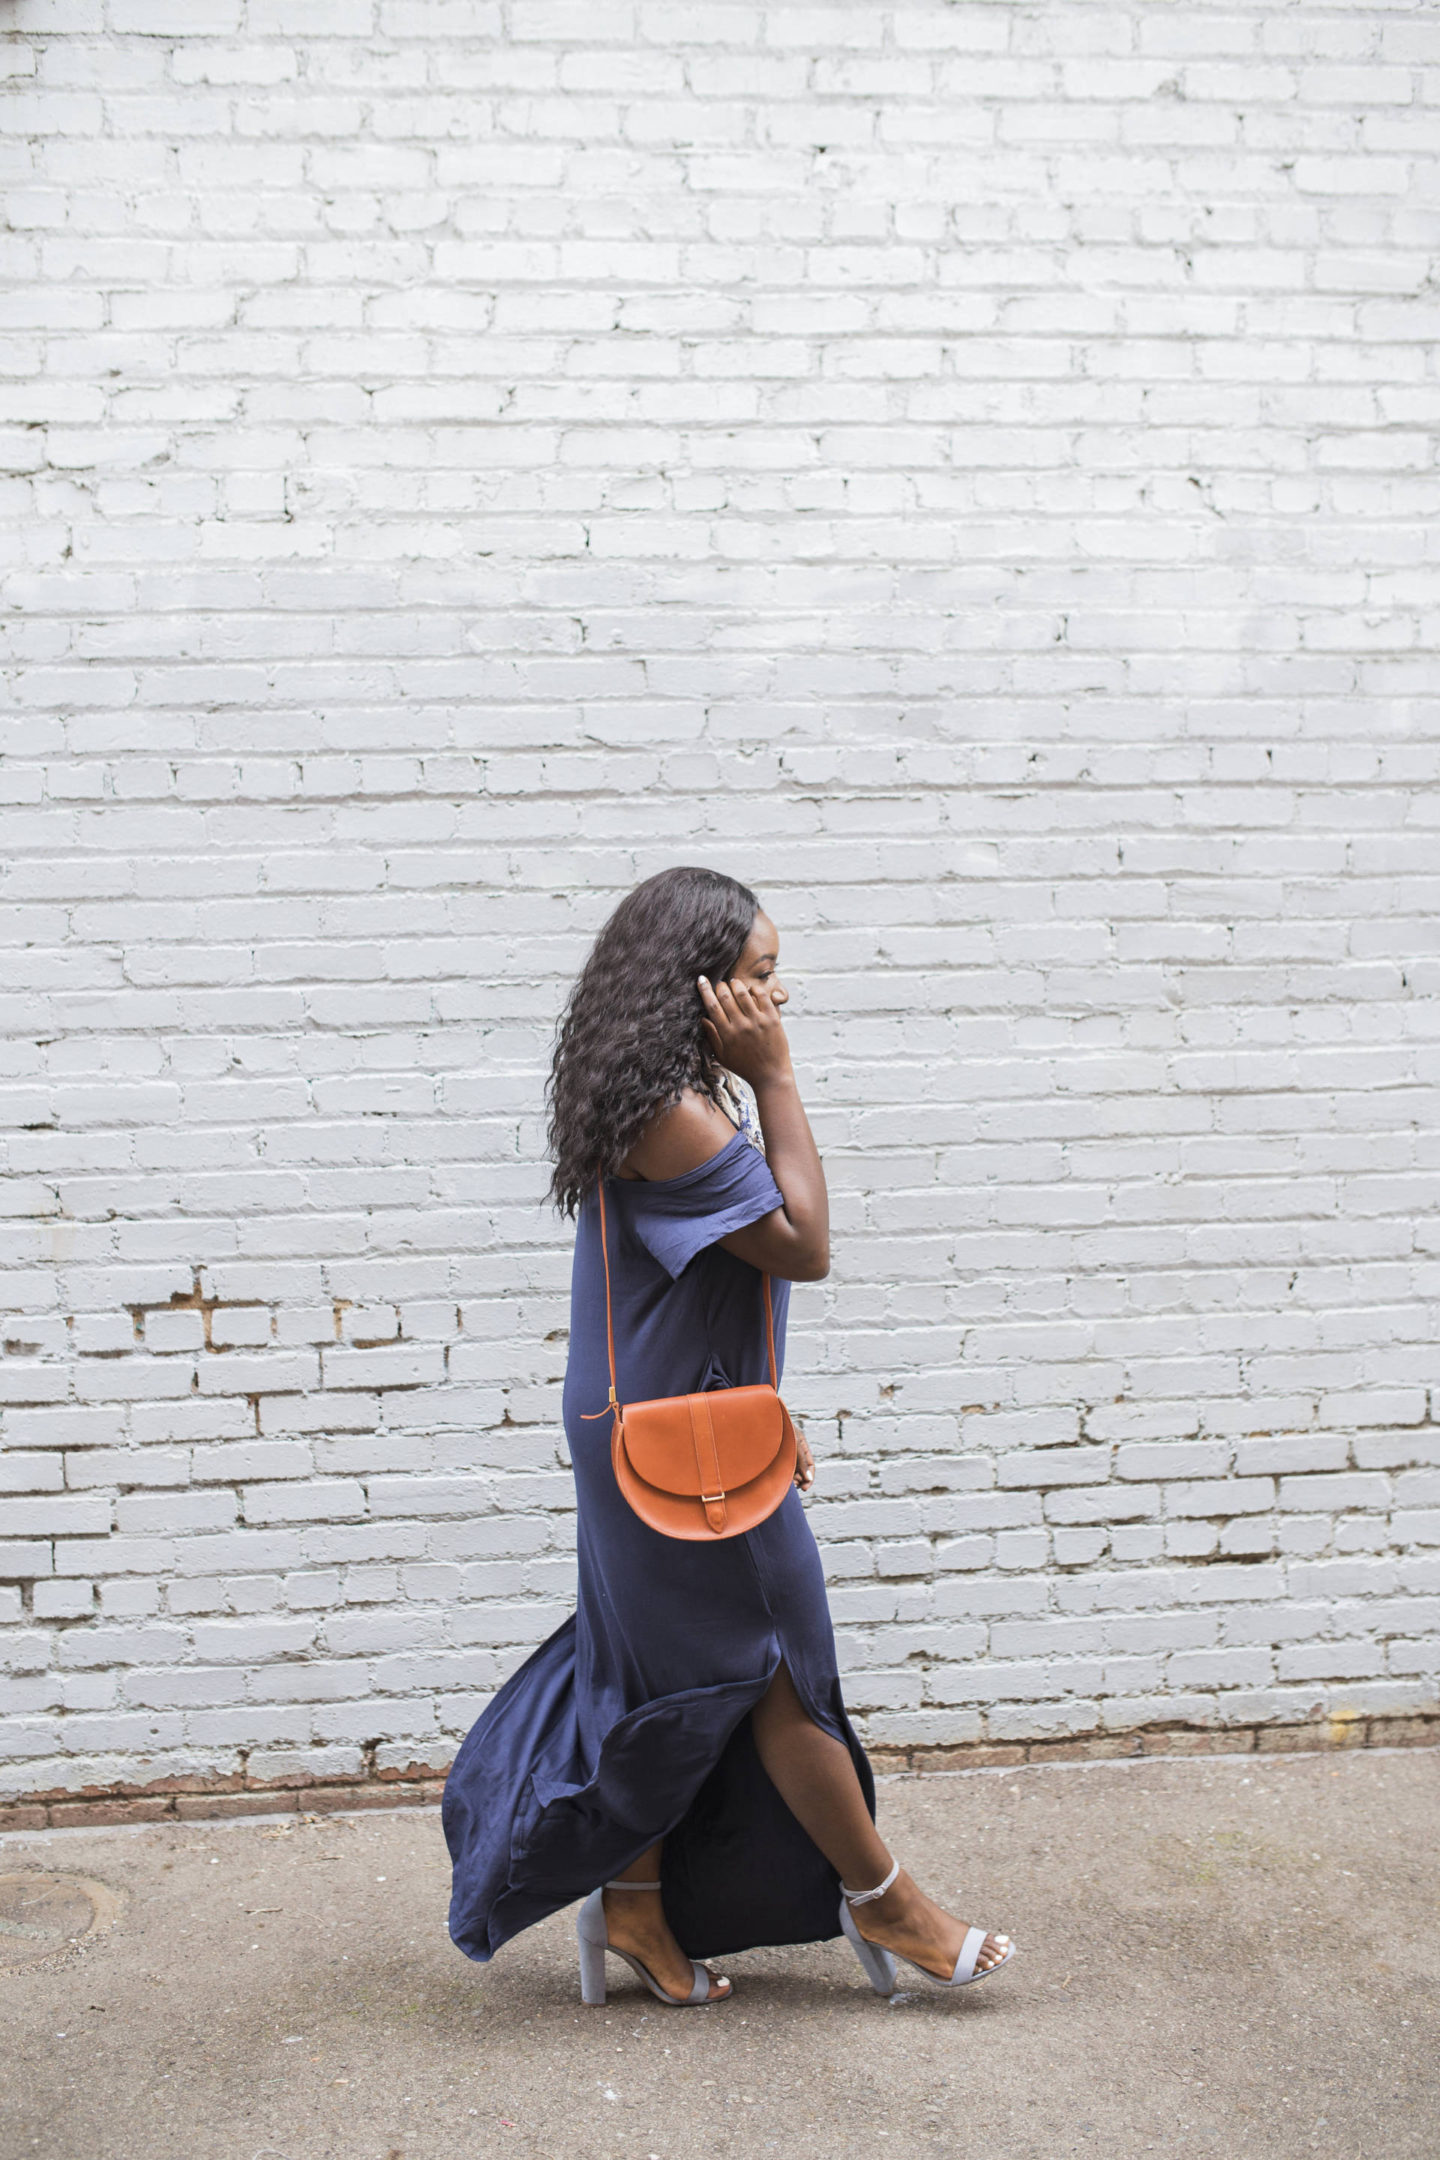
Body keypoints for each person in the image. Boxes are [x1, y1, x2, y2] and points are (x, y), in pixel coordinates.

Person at [442, 866, 1014, 2005]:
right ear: (696, 986)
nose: (777, 997)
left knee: (672, 1678)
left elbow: (701, 1291)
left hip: (661, 1422)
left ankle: (641, 1911)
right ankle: (886, 1900)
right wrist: (778, 1077)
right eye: (759, 976)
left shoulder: (651, 1095)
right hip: (671, 1446)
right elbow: (802, 1244)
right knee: (781, 1674)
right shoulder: (673, 1112)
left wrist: (756, 1409)